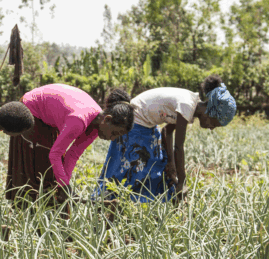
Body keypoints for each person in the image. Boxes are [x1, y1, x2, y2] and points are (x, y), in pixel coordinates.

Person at [94, 75, 237, 202]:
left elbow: (167, 132)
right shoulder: (187, 105)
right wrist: (182, 182)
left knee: (158, 162)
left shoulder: (191, 106)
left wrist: (171, 164)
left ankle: (136, 202)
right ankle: (108, 200)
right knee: (136, 163)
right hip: (135, 122)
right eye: (214, 123)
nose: (212, 128)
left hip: (147, 125)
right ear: (209, 111)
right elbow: (179, 147)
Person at [5, 83, 134, 205]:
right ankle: (26, 208)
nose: (112, 139)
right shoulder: (78, 120)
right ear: (107, 119)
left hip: (46, 118)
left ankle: (47, 207)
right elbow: (55, 154)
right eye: (114, 133)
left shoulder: (96, 127)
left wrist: (65, 184)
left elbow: (73, 155)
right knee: (38, 167)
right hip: (29, 110)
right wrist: (64, 186)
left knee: (54, 175)